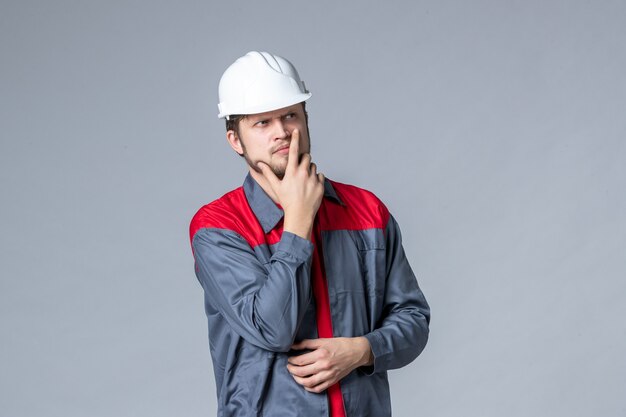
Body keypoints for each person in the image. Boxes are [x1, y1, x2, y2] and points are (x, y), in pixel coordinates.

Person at [189, 51, 430, 417]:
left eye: (290, 115)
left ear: (305, 118)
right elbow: (272, 330)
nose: (281, 131)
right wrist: (298, 223)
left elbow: (412, 318)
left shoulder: (366, 211)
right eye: (262, 123)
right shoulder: (218, 227)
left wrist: (364, 350)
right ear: (235, 140)